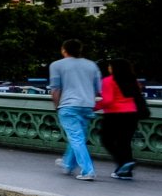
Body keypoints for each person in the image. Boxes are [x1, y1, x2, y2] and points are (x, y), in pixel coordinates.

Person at [49, 39, 102, 181]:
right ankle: (68, 164)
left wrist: (57, 106)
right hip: (87, 106)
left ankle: (88, 170)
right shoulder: (92, 65)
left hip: (68, 105)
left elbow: (55, 89)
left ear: (63, 50)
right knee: (78, 138)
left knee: (76, 138)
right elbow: (98, 89)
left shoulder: (57, 65)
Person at [98, 57, 146, 180]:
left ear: (114, 68)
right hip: (132, 115)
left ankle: (123, 163)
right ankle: (126, 171)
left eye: (110, 66)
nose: (108, 68)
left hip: (114, 115)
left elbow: (107, 101)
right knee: (124, 142)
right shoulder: (132, 80)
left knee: (106, 140)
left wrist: (93, 107)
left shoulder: (108, 80)